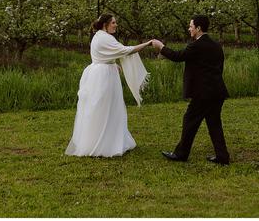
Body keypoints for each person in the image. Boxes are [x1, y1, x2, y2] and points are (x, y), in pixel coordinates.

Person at [65, 13, 153, 157]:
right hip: (103, 77)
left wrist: (113, 63)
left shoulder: (99, 36)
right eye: (113, 22)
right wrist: (147, 44)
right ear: (105, 24)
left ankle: (109, 139)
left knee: (107, 107)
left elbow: (104, 55)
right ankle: (103, 144)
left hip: (101, 72)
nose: (116, 25)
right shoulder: (105, 38)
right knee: (103, 108)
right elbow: (125, 50)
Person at [151, 14, 231, 165]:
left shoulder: (197, 45)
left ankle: (181, 154)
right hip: (217, 91)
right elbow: (219, 68)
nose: (189, 28)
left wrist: (161, 47)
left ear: (198, 28)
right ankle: (222, 156)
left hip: (203, 94)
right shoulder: (216, 45)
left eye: (191, 26)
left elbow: (178, 56)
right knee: (214, 124)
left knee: (189, 121)